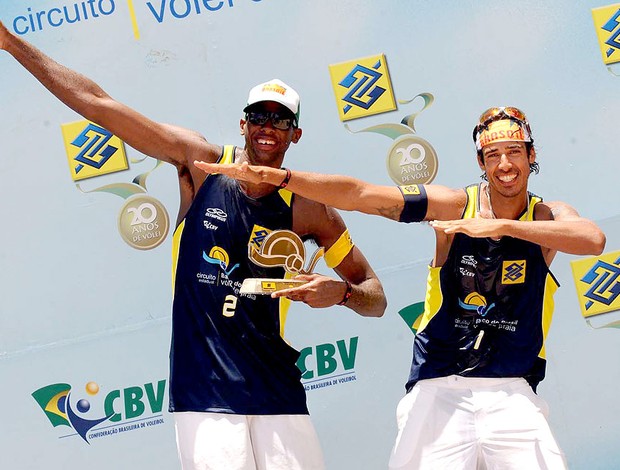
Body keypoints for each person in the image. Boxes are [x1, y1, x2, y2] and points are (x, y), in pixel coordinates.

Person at [0, 21, 387, 470]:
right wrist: (10, 43)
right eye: (258, 116)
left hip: (278, 387)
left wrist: (340, 294)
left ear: (295, 133)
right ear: (243, 123)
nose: (268, 127)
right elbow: (98, 104)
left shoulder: (310, 209)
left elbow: (375, 298)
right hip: (206, 390)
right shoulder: (200, 164)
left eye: (280, 119)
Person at [193, 106, 607, 469]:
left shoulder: (548, 216)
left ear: (531, 156)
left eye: (514, 152)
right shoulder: (454, 204)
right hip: (439, 387)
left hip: (513, 389)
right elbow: (363, 195)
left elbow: (592, 239)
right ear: (481, 162)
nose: (504, 164)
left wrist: (499, 226)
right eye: (493, 154)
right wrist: (282, 178)